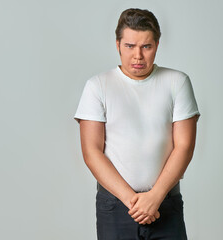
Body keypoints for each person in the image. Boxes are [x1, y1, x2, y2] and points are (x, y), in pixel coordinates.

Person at [73, 8, 200, 240]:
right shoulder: (98, 86)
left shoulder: (177, 82)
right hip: (115, 205)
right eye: (130, 46)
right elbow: (92, 152)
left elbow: (184, 146)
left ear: (157, 45)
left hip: (165, 202)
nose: (138, 56)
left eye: (146, 46)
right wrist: (135, 202)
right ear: (118, 45)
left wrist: (155, 197)